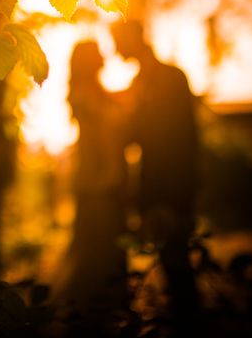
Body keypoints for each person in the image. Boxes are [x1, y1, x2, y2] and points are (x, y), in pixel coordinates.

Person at [110, 19, 200, 323]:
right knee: (170, 260)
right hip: (154, 186)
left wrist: (181, 192)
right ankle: (183, 319)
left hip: (172, 186)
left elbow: (186, 137)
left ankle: (190, 321)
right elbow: (134, 137)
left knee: (177, 262)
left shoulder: (172, 78)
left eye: (118, 41)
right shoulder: (140, 83)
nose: (115, 50)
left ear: (134, 39)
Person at [54, 40, 129, 312]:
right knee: (94, 253)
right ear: (86, 60)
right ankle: (85, 310)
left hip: (108, 182)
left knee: (104, 250)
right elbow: (105, 135)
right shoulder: (84, 96)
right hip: (98, 183)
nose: (103, 54)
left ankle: (99, 309)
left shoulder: (97, 94)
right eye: (96, 51)